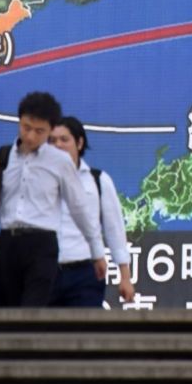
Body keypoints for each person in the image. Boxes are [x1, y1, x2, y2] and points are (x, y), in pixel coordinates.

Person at [0, 92, 107, 307]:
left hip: (42, 245)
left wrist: (97, 252)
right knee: (7, 311)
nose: (31, 136)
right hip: (7, 243)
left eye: (39, 131)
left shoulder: (59, 161)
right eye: (26, 127)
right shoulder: (4, 156)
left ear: (50, 130)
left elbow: (79, 208)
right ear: (19, 122)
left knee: (32, 311)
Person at [47, 116, 135, 306]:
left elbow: (114, 230)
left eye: (64, 140)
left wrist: (125, 277)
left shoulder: (98, 180)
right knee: (42, 334)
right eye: (52, 141)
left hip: (84, 273)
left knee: (83, 333)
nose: (58, 145)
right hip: (43, 273)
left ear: (79, 143)